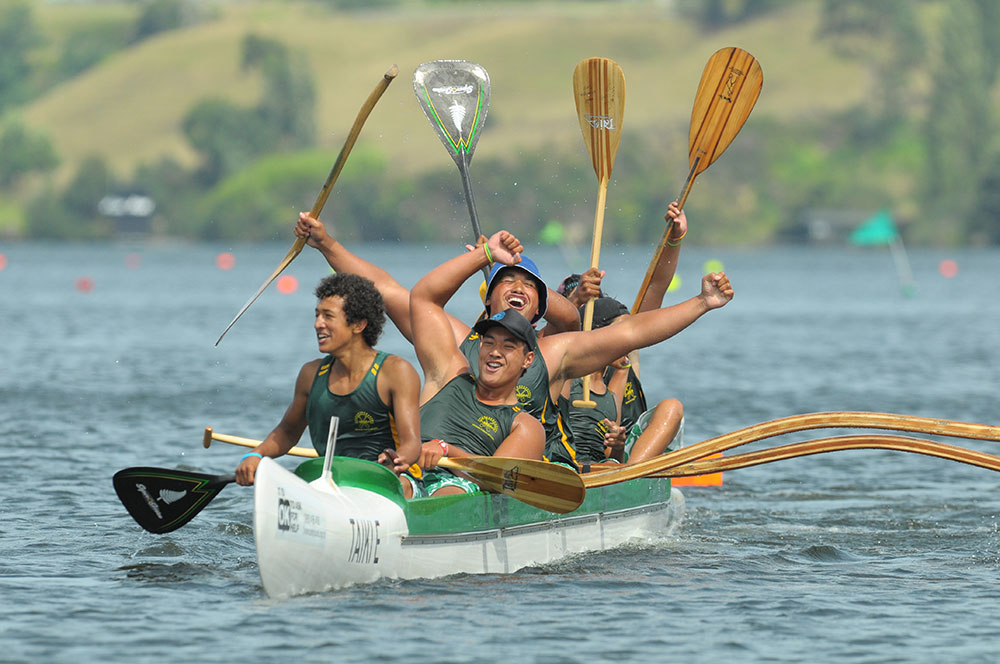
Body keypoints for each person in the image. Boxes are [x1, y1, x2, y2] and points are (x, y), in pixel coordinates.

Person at [233, 273, 423, 496]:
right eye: (317, 315)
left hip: (391, 479)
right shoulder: (311, 374)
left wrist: (396, 461)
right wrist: (255, 455)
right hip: (332, 481)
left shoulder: (395, 371)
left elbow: (412, 443)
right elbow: (287, 431)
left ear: (359, 324)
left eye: (328, 316)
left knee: (398, 486)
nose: (317, 324)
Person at [408, 230, 545, 496]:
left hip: (460, 487)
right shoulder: (450, 374)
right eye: (489, 342)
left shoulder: (526, 426)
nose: (495, 352)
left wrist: (448, 450)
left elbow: (495, 479)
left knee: (447, 491)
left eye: (508, 346)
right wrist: (485, 255)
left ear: (528, 359)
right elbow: (423, 298)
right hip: (407, 474)